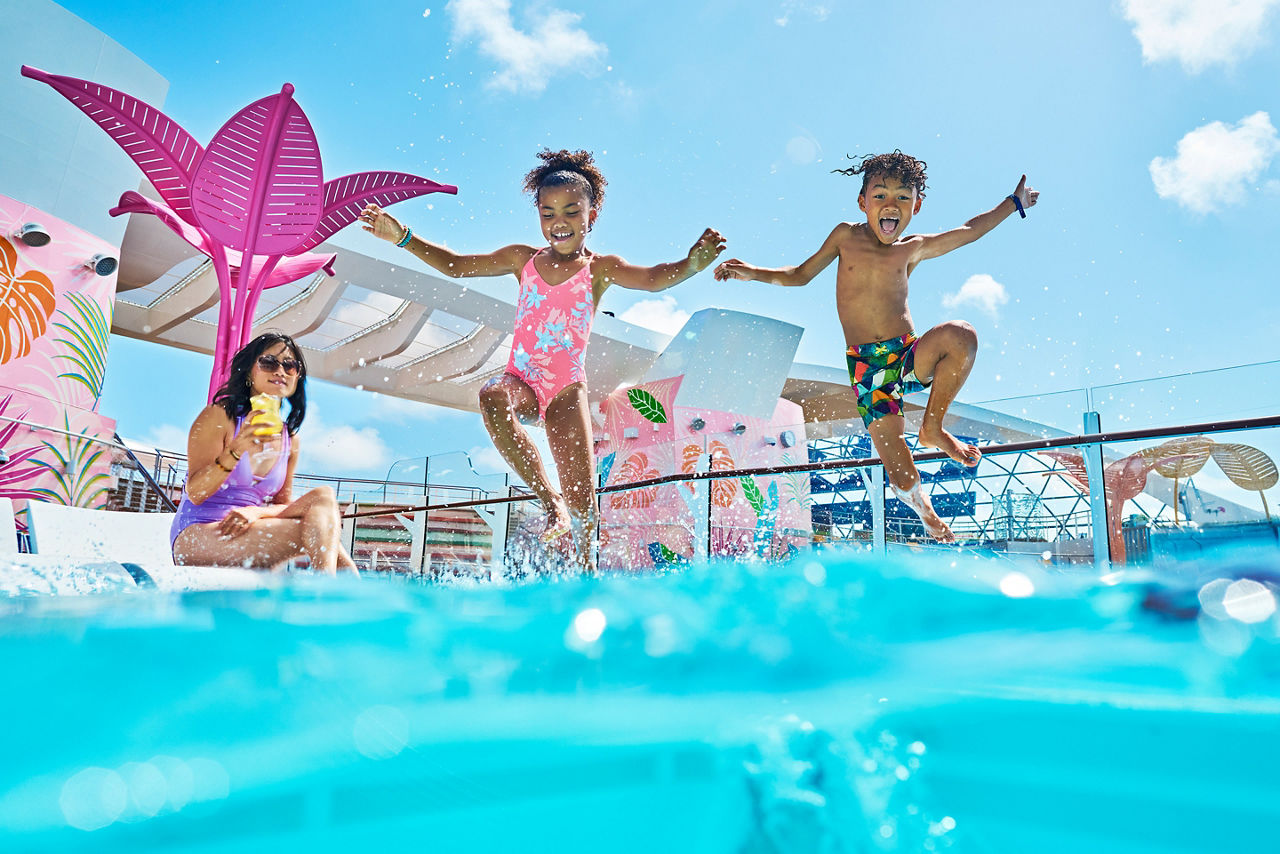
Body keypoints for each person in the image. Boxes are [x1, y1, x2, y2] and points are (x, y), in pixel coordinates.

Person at [359, 149, 725, 569]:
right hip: (522, 378)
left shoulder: (599, 268)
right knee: (492, 396)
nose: (559, 222)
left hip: (566, 390)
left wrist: (690, 266)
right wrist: (403, 237)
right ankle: (550, 501)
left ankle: (587, 572)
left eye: (571, 211)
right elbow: (457, 266)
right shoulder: (523, 260)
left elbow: (653, 279)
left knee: (584, 503)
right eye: (548, 212)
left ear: (592, 214)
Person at [715, 151, 1038, 542]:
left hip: (906, 355)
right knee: (900, 467)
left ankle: (933, 426)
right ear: (862, 202)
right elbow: (800, 275)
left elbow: (969, 230)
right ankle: (924, 509)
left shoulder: (912, 247)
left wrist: (1014, 202)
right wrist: (750, 273)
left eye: (903, 198)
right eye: (881, 195)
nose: (891, 205)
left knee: (961, 333)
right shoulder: (845, 237)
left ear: (916, 207)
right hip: (868, 367)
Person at [170, 332, 357, 573]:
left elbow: (284, 507)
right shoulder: (218, 416)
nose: (280, 371)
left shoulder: (291, 440)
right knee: (314, 532)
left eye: (290, 366)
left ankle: (332, 591)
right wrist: (237, 449)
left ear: (297, 378)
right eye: (269, 363)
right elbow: (195, 493)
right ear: (249, 371)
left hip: (251, 530)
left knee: (323, 497)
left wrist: (254, 512)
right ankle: (327, 594)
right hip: (198, 534)